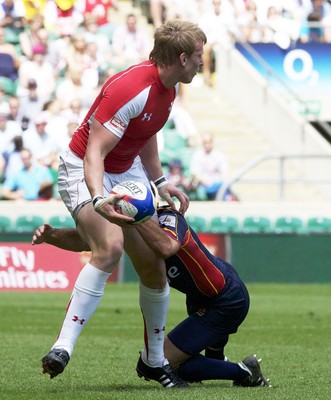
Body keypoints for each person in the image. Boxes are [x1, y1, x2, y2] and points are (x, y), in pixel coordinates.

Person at [40, 20, 205, 388]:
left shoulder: (170, 89)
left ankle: (155, 361)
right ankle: (62, 347)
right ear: (181, 58)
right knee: (110, 246)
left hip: (127, 170)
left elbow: (145, 134)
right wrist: (98, 198)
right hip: (83, 166)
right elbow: (94, 152)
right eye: (198, 57)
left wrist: (161, 182)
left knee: (152, 267)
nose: (201, 63)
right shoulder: (130, 88)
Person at [32, 205, 270, 387]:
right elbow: (91, 240)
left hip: (225, 299)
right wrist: (52, 236)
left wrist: (136, 215)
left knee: (156, 365)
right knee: (197, 360)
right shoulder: (137, 223)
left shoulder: (170, 218)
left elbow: (166, 247)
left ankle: (245, 373)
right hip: (204, 296)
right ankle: (220, 365)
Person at [189, 132, 228, 201]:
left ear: (212, 142)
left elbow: (224, 172)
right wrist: (208, 183)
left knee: (223, 188)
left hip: (217, 183)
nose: (207, 144)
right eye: (205, 142)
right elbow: (195, 173)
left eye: (209, 142)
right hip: (203, 185)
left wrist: (220, 183)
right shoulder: (197, 155)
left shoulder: (219, 155)